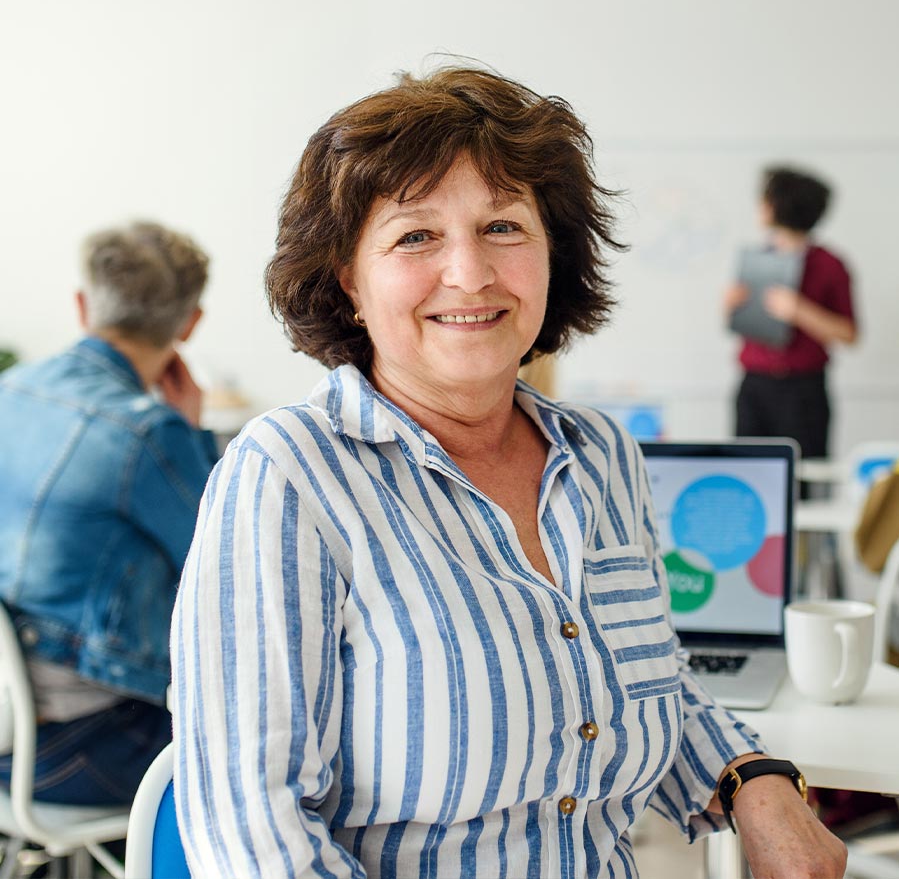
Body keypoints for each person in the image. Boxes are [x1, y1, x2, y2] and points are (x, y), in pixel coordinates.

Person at [172, 66, 846, 878]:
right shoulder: (287, 477)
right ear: (349, 280)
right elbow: (251, 836)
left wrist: (754, 779)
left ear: (552, 253)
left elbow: (654, 683)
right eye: (415, 235)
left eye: (502, 227)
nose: (470, 272)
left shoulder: (600, 456)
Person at [0, 221, 218, 805]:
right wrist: (191, 433)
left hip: (13, 737)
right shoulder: (149, 434)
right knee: (290, 751)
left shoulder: (9, 389)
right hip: (71, 745)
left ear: (82, 305)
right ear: (190, 324)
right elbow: (226, 569)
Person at [725, 165, 858, 463]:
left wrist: (799, 310)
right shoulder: (756, 258)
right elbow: (736, 324)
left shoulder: (830, 265)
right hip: (753, 386)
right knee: (747, 468)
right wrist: (731, 305)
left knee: (805, 476)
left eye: (766, 199)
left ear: (778, 206)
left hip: (803, 391)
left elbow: (849, 334)